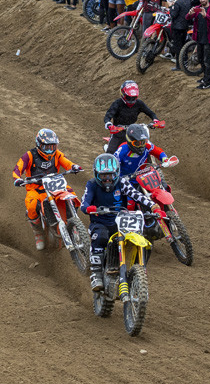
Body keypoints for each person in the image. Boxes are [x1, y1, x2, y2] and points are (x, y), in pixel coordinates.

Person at [80, 153, 157, 292]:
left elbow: (136, 194)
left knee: (140, 237)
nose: (107, 179)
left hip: (119, 222)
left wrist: (152, 205)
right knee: (101, 237)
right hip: (99, 223)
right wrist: (88, 208)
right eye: (103, 176)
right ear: (97, 175)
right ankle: (96, 274)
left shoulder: (122, 183)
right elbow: (84, 203)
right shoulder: (92, 184)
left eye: (110, 175)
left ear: (116, 173)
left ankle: (138, 268)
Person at [13, 128, 81, 250]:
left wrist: (74, 166)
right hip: (36, 189)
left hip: (55, 185)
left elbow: (66, 162)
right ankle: (38, 232)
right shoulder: (29, 155)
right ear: (39, 145)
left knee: (72, 196)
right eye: (47, 147)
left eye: (52, 147)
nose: (50, 150)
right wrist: (17, 179)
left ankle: (74, 225)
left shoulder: (57, 154)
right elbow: (18, 168)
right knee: (32, 206)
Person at [104, 80, 163, 153]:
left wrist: (155, 120)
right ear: (123, 94)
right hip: (118, 131)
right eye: (129, 98)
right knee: (111, 151)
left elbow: (150, 113)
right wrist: (109, 124)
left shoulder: (139, 103)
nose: (131, 100)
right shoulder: (117, 103)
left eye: (134, 98)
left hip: (133, 131)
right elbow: (108, 116)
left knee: (143, 146)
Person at [187, 0, 210, 89]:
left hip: (209, 38)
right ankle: (205, 77)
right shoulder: (197, 8)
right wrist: (190, 13)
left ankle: (207, 82)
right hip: (199, 37)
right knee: (200, 59)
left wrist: (206, 16)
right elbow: (187, 18)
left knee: (207, 61)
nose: (202, 0)